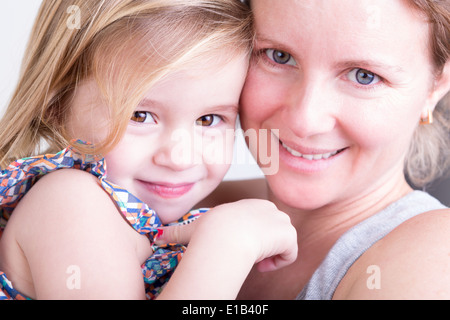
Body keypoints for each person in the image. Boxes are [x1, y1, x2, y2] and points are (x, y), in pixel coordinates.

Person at [0, 0, 297, 300]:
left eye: (208, 120)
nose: (180, 159)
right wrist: (227, 244)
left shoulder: (147, 207)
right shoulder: (68, 202)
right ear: (57, 106)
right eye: (139, 116)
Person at [160, 0, 450, 299]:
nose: (304, 121)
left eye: (364, 75)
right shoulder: (174, 202)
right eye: (279, 56)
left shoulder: (437, 258)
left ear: (436, 87)